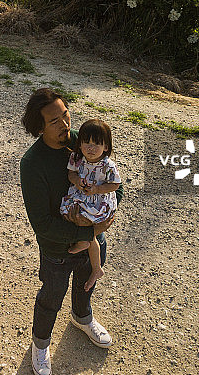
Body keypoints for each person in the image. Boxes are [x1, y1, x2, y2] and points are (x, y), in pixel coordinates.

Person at [20, 88, 123, 375]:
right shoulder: (32, 164)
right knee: (51, 296)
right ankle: (40, 345)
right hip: (58, 249)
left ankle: (82, 317)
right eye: (55, 121)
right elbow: (41, 223)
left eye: (66, 115)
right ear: (39, 127)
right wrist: (84, 235)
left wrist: (105, 219)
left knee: (86, 282)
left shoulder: (81, 140)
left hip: (93, 235)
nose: (65, 125)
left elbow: (116, 183)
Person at [59, 119, 121, 292]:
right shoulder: (77, 158)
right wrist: (77, 181)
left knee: (85, 224)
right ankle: (96, 268)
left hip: (99, 199)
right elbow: (71, 174)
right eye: (86, 143)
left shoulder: (107, 165)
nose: (90, 148)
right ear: (80, 144)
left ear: (106, 147)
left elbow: (115, 184)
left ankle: (87, 248)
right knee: (70, 214)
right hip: (80, 194)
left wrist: (98, 189)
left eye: (96, 144)